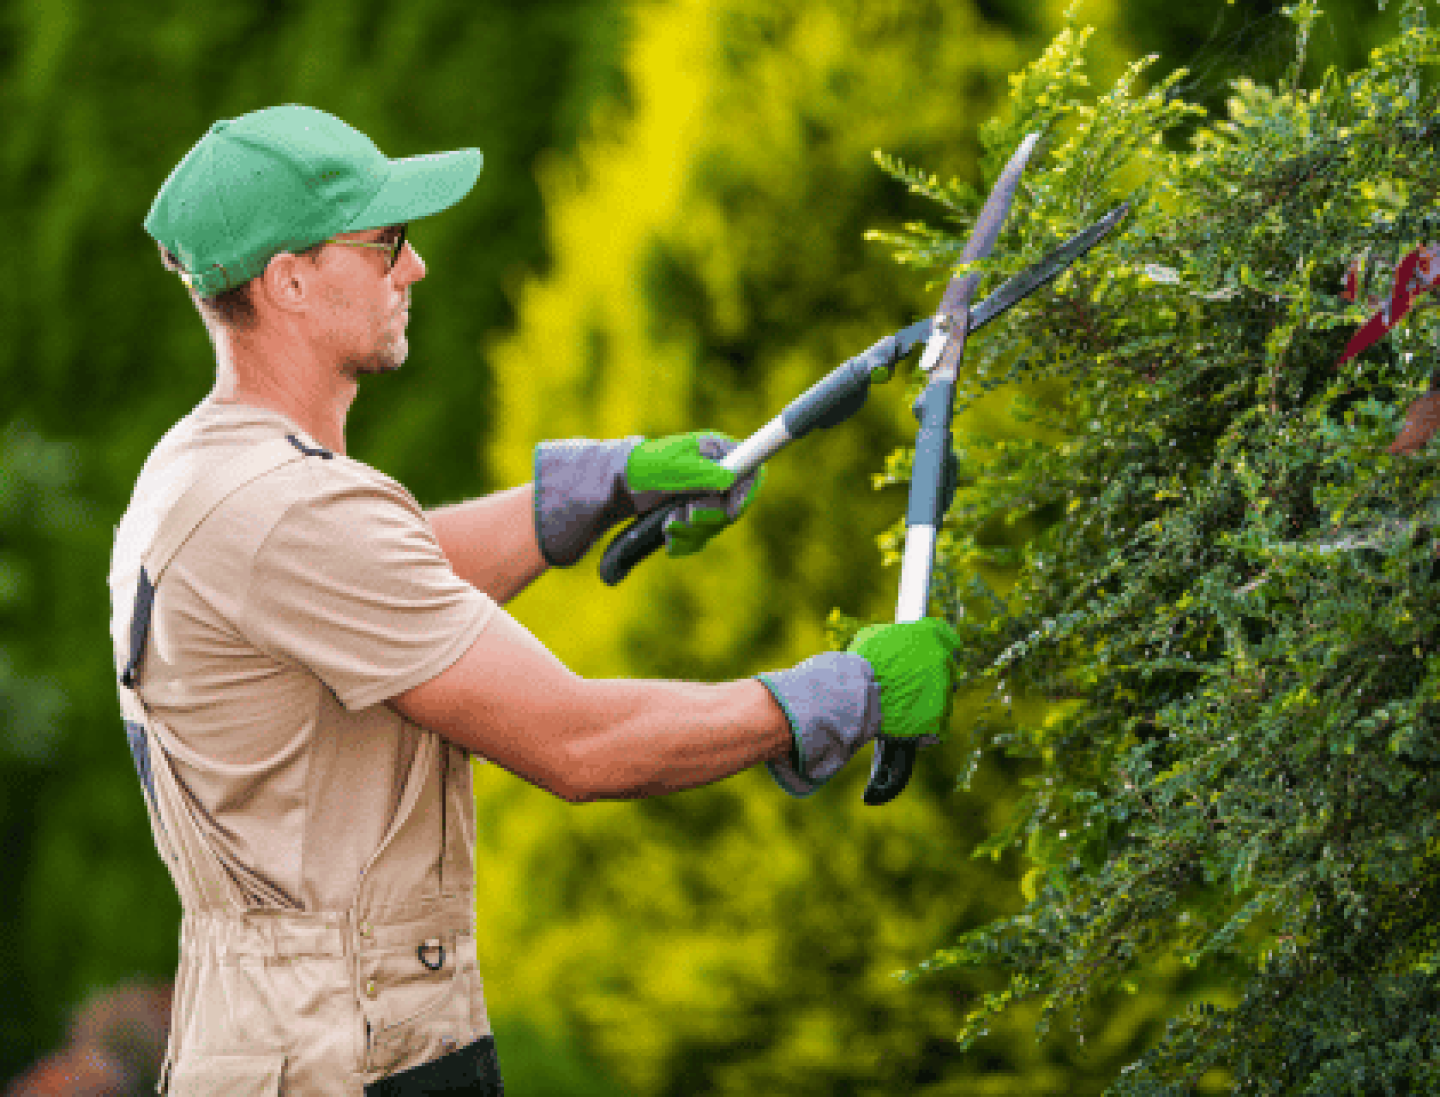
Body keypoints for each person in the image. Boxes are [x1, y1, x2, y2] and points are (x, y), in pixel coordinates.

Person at [109, 104, 961, 1096]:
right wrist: (837, 695)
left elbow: (386, 582)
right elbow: (581, 743)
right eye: (384, 243)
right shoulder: (291, 509)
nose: (414, 268)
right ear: (289, 279)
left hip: (283, 1043)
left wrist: (598, 487)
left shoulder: (206, 473)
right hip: (354, 1062)